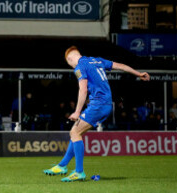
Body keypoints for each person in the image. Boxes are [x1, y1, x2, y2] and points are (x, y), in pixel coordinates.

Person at [43, 46, 150, 182]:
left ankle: (79, 172)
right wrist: (138, 74)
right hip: (105, 104)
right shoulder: (96, 60)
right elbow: (121, 66)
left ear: (70, 59)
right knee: (76, 132)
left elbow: (83, 90)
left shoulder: (79, 67)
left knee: (75, 133)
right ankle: (62, 165)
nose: (71, 66)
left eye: (69, 63)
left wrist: (77, 111)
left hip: (98, 105)